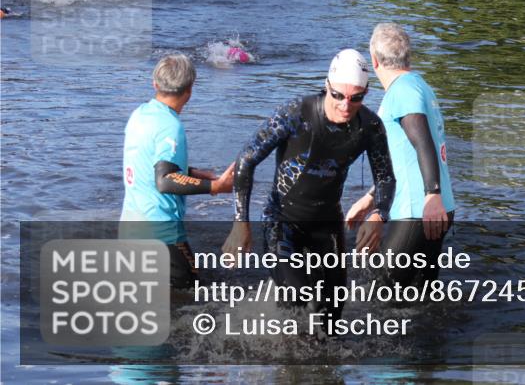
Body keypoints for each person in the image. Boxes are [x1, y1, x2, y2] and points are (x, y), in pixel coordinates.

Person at [222, 49, 395, 321]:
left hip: (327, 223)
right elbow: (246, 159)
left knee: (332, 314)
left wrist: (379, 214)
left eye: (356, 98)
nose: (345, 106)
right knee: (297, 298)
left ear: (365, 93)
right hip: (281, 221)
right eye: (338, 95)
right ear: (327, 86)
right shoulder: (296, 114)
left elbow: (385, 177)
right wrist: (239, 222)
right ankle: (279, 354)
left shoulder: (370, 126)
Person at [346, 24, 456, 287]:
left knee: (383, 296)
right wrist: (371, 198)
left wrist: (432, 193)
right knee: (420, 296)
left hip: (419, 210)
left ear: (374, 60)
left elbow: (422, 142)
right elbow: (402, 155)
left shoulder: (402, 91)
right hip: (435, 208)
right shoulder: (417, 85)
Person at [120, 54, 235, 289]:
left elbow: (148, 163)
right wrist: (215, 187)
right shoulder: (170, 127)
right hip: (160, 232)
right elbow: (164, 180)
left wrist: (192, 172)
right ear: (190, 89)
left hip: (130, 227)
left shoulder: (139, 114)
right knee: (196, 294)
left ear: (155, 84)